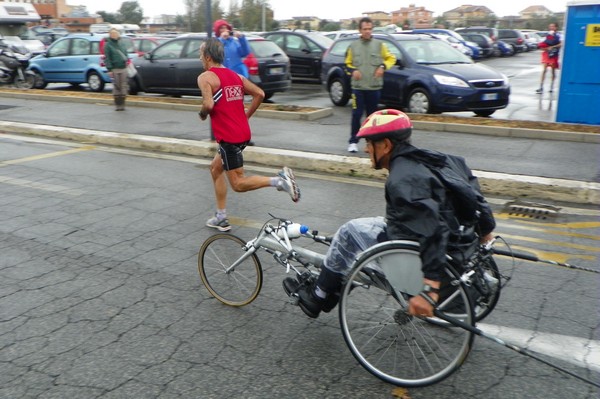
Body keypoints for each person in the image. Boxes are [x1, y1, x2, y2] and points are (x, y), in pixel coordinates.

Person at [284, 109, 496, 319]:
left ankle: (318, 295)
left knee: (349, 232)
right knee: (372, 224)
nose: (366, 150)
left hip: (420, 253)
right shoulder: (441, 159)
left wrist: (430, 288)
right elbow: (472, 193)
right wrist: (486, 232)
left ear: (385, 145)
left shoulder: (402, 180)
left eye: (368, 143)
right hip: (458, 242)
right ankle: (336, 285)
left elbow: (433, 230)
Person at [197, 38, 301, 232]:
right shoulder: (236, 76)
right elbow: (260, 94)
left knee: (238, 183)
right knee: (215, 168)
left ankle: (280, 181)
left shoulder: (206, 77)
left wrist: (202, 114)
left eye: (201, 54)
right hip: (242, 132)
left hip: (229, 137)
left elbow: (209, 105)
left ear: (208, 57)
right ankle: (221, 216)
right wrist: (245, 116)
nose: (200, 58)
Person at [344, 17, 396, 153]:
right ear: (360, 30)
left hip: (374, 87)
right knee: (356, 114)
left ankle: (371, 143)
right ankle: (353, 141)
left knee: (372, 117)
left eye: (369, 29)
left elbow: (392, 58)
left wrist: (383, 66)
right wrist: (353, 70)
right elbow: (347, 64)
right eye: (365, 29)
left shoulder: (380, 45)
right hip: (358, 88)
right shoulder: (353, 46)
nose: (367, 31)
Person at [103, 28, 130, 111]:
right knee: (117, 86)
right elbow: (107, 58)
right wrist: (109, 69)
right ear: (110, 35)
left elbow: (125, 53)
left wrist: (126, 61)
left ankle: (123, 104)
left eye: (116, 33)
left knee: (123, 86)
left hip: (123, 67)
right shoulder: (108, 45)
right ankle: (118, 105)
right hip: (114, 68)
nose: (115, 35)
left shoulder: (121, 43)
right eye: (113, 34)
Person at [536, 23, 562, 94]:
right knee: (544, 70)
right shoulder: (547, 35)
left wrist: (553, 47)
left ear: (556, 27)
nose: (551, 27)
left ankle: (551, 86)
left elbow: (561, 44)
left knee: (553, 71)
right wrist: (543, 47)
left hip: (554, 54)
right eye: (550, 26)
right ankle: (541, 87)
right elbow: (542, 43)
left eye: (553, 26)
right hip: (546, 53)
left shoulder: (559, 35)